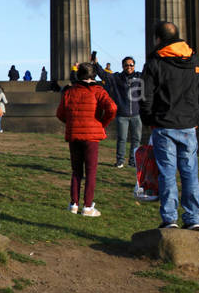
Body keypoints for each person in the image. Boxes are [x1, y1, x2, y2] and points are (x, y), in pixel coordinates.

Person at [140, 20, 199, 230]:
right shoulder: (196, 60)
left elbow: (145, 95)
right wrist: (197, 117)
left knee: (167, 173)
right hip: (188, 125)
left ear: (158, 39)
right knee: (190, 172)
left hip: (163, 125)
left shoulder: (155, 62)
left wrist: (149, 119)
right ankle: (193, 219)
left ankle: (170, 218)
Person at [56, 62, 117, 217]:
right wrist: (102, 123)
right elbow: (112, 108)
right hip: (91, 136)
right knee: (90, 172)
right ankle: (88, 206)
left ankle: (73, 204)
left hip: (74, 134)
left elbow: (60, 113)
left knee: (76, 171)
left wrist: (72, 123)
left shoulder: (70, 92)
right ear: (93, 75)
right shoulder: (98, 91)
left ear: (78, 75)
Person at [93, 52, 143, 169]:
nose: (129, 67)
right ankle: (120, 161)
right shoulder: (117, 78)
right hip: (122, 114)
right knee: (122, 139)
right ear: (122, 66)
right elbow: (104, 75)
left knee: (136, 139)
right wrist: (96, 64)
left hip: (137, 114)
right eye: (126, 65)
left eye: (131, 65)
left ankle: (133, 161)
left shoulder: (140, 77)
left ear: (134, 66)